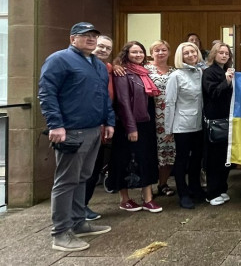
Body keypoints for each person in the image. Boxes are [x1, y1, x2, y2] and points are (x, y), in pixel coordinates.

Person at [39, 22, 115, 252]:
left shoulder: (98, 65)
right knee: (66, 181)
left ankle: (79, 222)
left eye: (94, 36)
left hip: (93, 129)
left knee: (83, 177)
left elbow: (103, 97)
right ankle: (60, 233)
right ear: (73, 39)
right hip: (70, 131)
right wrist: (56, 125)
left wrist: (108, 121)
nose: (91, 39)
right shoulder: (59, 59)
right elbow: (47, 92)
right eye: (85, 36)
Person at [110, 41, 162, 213]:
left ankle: (147, 198)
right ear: (126, 54)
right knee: (126, 160)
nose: (138, 55)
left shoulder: (143, 72)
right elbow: (124, 102)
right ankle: (125, 199)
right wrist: (131, 127)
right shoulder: (122, 72)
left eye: (140, 52)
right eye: (134, 52)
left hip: (146, 122)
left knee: (146, 158)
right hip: (129, 124)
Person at [163, 42, 204, 209]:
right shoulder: (176, 75)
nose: (191, 55)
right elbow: (170, 103)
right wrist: (168, 128)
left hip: (199, 123)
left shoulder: (200, 72)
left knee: (197, 159)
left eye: (193, 51)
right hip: (182, 125)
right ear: (181, 56)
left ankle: (195, 188)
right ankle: (183, 193)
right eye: (186, 53)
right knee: (182, 159)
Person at [82, 35, 115, 221]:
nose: (103, 50)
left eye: (107, 48)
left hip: (101, 127)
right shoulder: (78, 65)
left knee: (93, 170)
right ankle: (72, 212)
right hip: (81, 127)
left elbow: (106, 100)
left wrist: (109, 122)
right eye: (100, 46)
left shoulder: (107, 68)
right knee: (79, 172)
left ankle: (83, 205)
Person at [202, 42, 236, 205]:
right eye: (221, 52)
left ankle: (222, 189)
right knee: (214, 159)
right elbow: (213, 93)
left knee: (225, 157)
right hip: (215, 121)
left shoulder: (227, 71)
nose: (224, 55)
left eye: (227, 53)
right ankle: (212, 192)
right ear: (214, 54)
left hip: (228, 120)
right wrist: (227, 82)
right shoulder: (209, 72)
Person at [144, 40, 177, 198]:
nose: (161, 53)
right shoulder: (144, 70)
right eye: (157, 50)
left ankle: (163, 184)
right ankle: (147, 189)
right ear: (151, 53)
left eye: (164, 50)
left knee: (168, 153)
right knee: (150, 154)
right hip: (150, 117)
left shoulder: (174, 70)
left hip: (170, 118)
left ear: (169, 52)